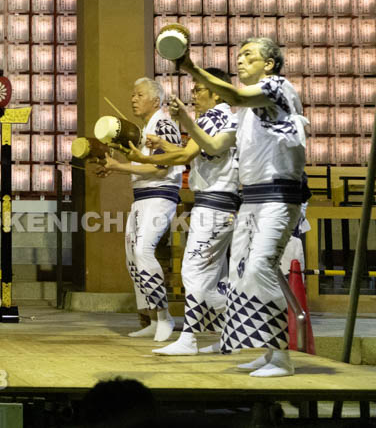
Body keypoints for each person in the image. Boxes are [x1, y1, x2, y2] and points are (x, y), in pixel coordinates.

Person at [175, 38, 308, 378]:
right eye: (239, 56)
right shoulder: (246, 112)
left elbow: (233, 94)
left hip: (279, 194)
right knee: (241, 274)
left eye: (249, 55)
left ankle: (282, 358)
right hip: (251, 198)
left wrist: (191, 68)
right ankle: (267, 352)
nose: (241, 60)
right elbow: (214, 144)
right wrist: (187, 122)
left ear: (270, 64)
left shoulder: (278, 88)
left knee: (261, 267)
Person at [123, 69, 239, 355]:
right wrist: (157, 149)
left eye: (199, 90)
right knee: (207, 277)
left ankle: (197, 334)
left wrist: (140, 158)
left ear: (215, 91)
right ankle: (232, 333)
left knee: (192, 272)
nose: (194, 95)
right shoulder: (221, 117)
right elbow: (188, 151)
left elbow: (185, 156)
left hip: (213, 203)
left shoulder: (214, 116)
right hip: (219, 203)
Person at [97, 78, 184, 342]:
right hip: (142, 197)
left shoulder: (165, 125)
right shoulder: (146, 128)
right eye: (132, 95)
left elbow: (161, 168)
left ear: (156, 100)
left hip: (160, 194)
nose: (133, 99)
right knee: (132, 259)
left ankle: (165, 316)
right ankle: (152, 319)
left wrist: (120, 167)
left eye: (139, 95)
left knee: (143, 251)